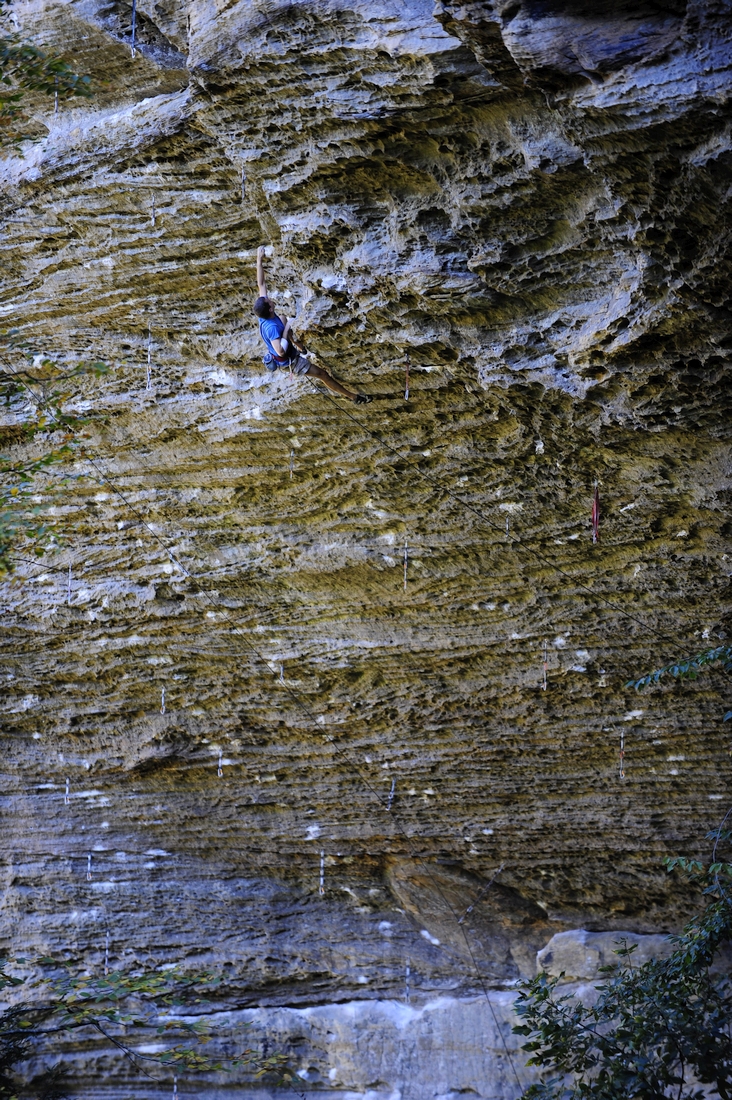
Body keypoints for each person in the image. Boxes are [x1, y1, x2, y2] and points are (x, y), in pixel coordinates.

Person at [254, 246, 372, 403]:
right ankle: (354, 397)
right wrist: (287, 329)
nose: (269, 298)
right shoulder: (272, 327)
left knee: (282, 317)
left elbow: (261, 285)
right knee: (323, 374)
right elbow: (280, 351)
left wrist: (259, 259)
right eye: (268, 301)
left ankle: (300, 346)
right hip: (290, 360)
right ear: (269, 309)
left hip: (283, 342)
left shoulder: (263, 314)